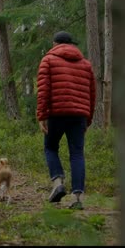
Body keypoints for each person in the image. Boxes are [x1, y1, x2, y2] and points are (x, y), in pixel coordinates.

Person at [36, 31, 96, 209]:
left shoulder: (48, 60)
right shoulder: (86, 64)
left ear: (55, 44)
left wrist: (42, 115)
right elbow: (92, 94)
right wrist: (88, 119)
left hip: (56, 113)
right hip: (79, 115)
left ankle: (58, 183)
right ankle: (77, 198)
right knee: (77, 154)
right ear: (71, 45)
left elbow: (43, 91)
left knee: (50, 147)